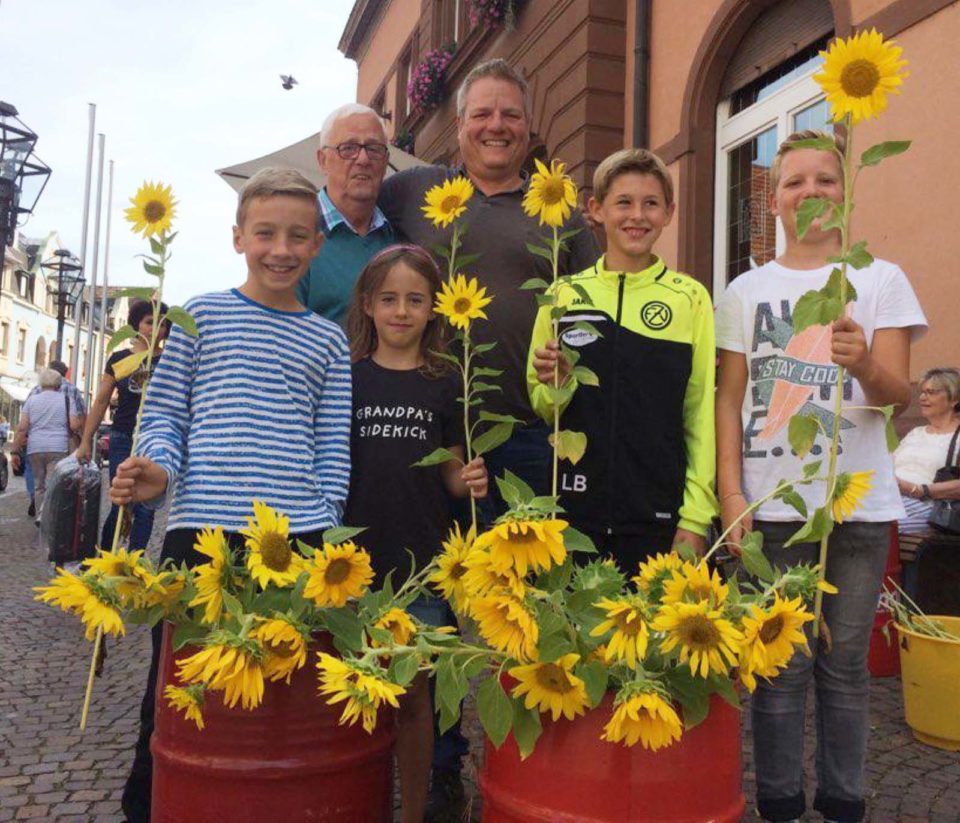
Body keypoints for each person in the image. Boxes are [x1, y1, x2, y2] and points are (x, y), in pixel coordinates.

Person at [112, 167, 352, 823]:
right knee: (178, 684)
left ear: (317, 244)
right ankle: (153, 805)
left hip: (297, 540)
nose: (281, 249)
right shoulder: (202, 315)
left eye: (298, 236)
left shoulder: (328, 339)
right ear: (238, 237)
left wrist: (328, 521)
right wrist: (157, 471)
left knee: (282, 688)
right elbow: (166, 415)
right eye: (266, 233)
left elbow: (333, 447)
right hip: (203, 532)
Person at [715, 130, 927, 823]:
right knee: (780, 667)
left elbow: (897, 396)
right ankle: (778, 799)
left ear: (846, 192)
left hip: (856, 508)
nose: (811, 192)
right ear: (773, 200)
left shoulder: (879, 279)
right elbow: (728, 398)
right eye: (795, 182)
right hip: (773, 507)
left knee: (845, 667)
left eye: (826, 180)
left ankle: (843, 800)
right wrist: (731, 493)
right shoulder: (745, 291)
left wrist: (862, 362)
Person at [378, 58, 599, 523]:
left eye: (510, 114)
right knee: (430, 562)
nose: (496, 125)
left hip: (529, 434)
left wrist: (570, 363)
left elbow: (592, 312)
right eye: (482, 114)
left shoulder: (558, 207)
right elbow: (351, 220)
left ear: (528, 125)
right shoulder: (414, 191)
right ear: (460, 124)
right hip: (428, 430)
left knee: (526, 561)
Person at [344, 243, 487, 823]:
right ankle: (360, 804)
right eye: (389, 299)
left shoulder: (445, 382)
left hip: (422, 563)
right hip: (353, 565)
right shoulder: (348, 377)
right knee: (357, 696)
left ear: (434, 309)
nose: (401, 311)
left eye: (415, 300)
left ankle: (413, 811)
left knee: (414, 699)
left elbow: (451, 472)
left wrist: (469, 478)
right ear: (368, 305)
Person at [527, 148, 717, 569]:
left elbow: (700, 413)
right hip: (571, 514)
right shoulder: (562, 296)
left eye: (651, 204)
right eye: (624, 202)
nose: (637, 216)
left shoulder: (689, 298)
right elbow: (542, 407)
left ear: (669, 212)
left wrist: (696, 517)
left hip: (660, 516)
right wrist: (558, 385)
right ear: (596, 210)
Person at [75, 300, 169, 551]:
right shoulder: (120, 359)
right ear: (136, 324)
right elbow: (101, 401)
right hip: (123, 437)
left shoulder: (171, 361)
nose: (156, 329)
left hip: (155, 439)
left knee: (146, 508)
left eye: (162, 324)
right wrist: (85, 441)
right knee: (121, 501)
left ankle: (135, 562)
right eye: (150, 322)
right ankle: (106, 559)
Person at [297, 103, 396, 326]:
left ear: (385, 161)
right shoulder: (296, 237)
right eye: (348, 148)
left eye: (374, 149)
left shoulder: (399, 234)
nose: (363, 159)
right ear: (323, 160)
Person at [12, 368, 83, 523]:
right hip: (58, 447)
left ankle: (40, 515)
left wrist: (15, 451)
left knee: (39, 485)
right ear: (58, 384)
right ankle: (46, 515)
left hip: (35, 447)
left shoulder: (31, 401)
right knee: (53, 483)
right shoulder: (67, 400)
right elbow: (74, 425)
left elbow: (22, 428)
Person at [893, 367, 960, 532]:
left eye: (931, 392)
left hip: (931, 507)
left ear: (954, 399)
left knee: (875, 524)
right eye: (922, 392)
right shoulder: (916, 433)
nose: (922, 398)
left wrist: (918, 489)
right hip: (892, 497)